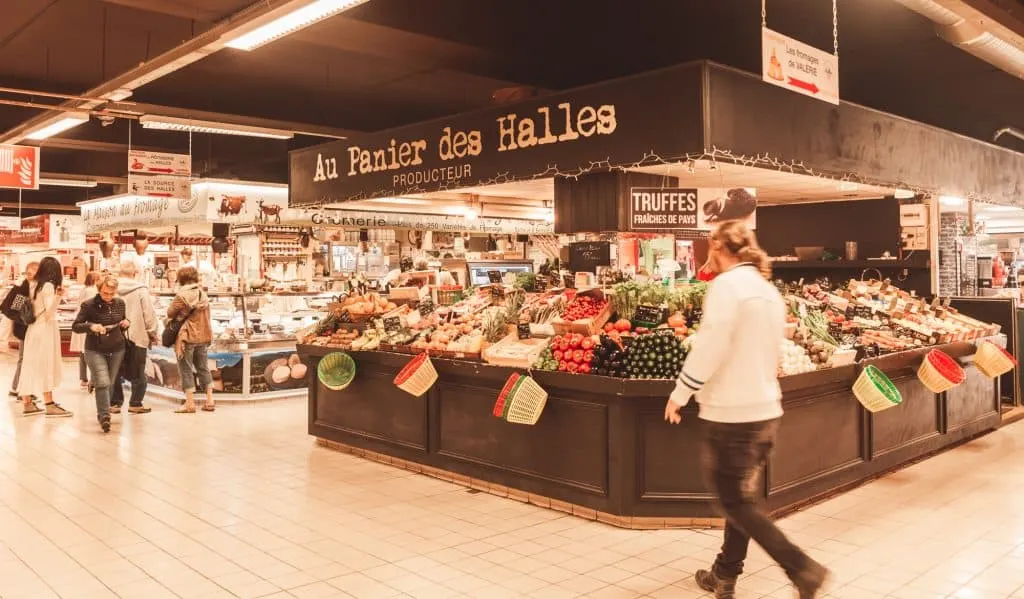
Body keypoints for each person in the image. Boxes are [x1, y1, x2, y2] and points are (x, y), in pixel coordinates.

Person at [664, 221, 829, 599]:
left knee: (735, 501)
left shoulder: (727, 287)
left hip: (731, 413)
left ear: (719, 246)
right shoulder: (767, 289)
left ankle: (803, 568)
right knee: (740, 499)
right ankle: (725, 574)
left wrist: (682, 390)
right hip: (765, 410)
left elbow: (711, 344)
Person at [72, 276, 129, 433]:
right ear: (99, 289)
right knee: (103, 382)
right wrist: (92, 326)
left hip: (117, 348)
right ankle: (104, 416)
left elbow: (122, 320)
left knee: (110, 382)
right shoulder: (88, 305)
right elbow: (76, 326)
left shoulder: (120, 303)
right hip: (95, 349)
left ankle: (103, 402)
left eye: (111, 293)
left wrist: (126, 323)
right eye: (105, 293)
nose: (108, 296)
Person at [17, 258, 71, 418]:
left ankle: (27, 403)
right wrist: (59, 296)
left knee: (30, 364)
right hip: (45, 330)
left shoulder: (33, 285)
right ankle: (49, 404)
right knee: (47, 364)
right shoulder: (47, 286)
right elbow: (49, 313)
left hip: (33, 330)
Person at [111, 261, 156, 415]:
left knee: (115, 370)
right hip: (137, 335)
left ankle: (115, 403)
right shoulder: (141, 290)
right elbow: (148, 314)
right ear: (135, 273)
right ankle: (135, 403)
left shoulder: (111, 288)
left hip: (114, 337)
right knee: (138, 371)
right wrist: (152, 332)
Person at [167, 266, 215, 413]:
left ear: (181, 279)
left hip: (186, 336)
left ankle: (190, 403)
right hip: (203, 335)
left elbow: (170, 313)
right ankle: (210, 400)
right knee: (203, 368)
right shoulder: (203, 294)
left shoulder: (181, 296)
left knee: (186, 369)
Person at [6, 261, 38, 402]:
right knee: (25, 359)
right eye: (32, 272)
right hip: (25, 329)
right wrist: (24, 319)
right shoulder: (23, 289)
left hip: (27, 328)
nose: (34, 275)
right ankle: (20, 389)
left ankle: (16, 387)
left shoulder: (33, 287)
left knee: (25, 359)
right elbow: (14, 310)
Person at [69, 272, 100, 391]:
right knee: (91, 352)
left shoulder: (83, 289)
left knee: (82, 354)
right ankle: (93, 379)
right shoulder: (92, 291)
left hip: (81, 322)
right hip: (88, 324)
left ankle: (83, 379)